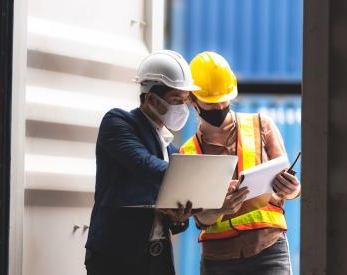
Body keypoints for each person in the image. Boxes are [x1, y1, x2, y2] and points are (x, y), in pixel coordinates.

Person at [179, 51, 301, 275]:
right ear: (192, 100)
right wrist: (220, 209)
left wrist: (293, 189)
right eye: (211, 102)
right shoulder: (188, 152)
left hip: (268, 249)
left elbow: (289, 185)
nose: (219, 107)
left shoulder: (261, 125)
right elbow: (200, 218)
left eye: (224, 99)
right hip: (219, 258)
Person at [85, 50, 201, 275]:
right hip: (116, 258)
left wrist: (179, 217)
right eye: (176, 101)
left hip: (157, 259)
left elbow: (170, 205)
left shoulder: (169, 147)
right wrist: (194, 177)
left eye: (185, 102)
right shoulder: (117, 122)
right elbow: (145, 164)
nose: (182, 109)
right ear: (150, 99)